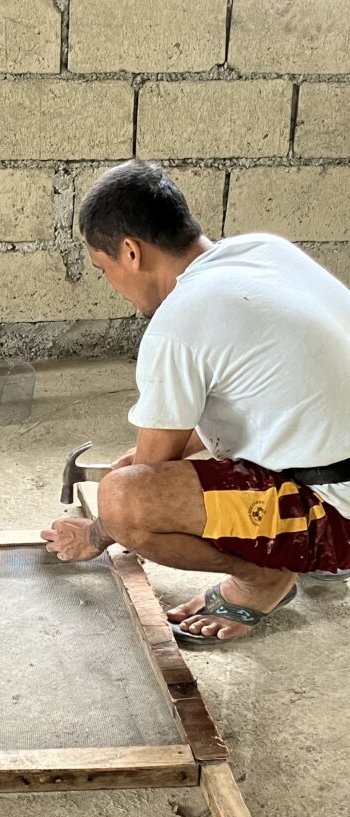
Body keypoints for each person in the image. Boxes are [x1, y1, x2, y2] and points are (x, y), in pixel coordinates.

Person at [41, 160, 350, 646]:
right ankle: (295, 549)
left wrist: (97, 533)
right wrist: (152, 460)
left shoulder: (179, 322)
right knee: (142, 473)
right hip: (338, 468)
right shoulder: (262, 249)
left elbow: (140, 487)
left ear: (130, 251)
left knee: (124, 500)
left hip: (338, 514)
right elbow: (259, 391)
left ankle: (264, 578)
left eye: (106, 271)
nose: (113, 286)